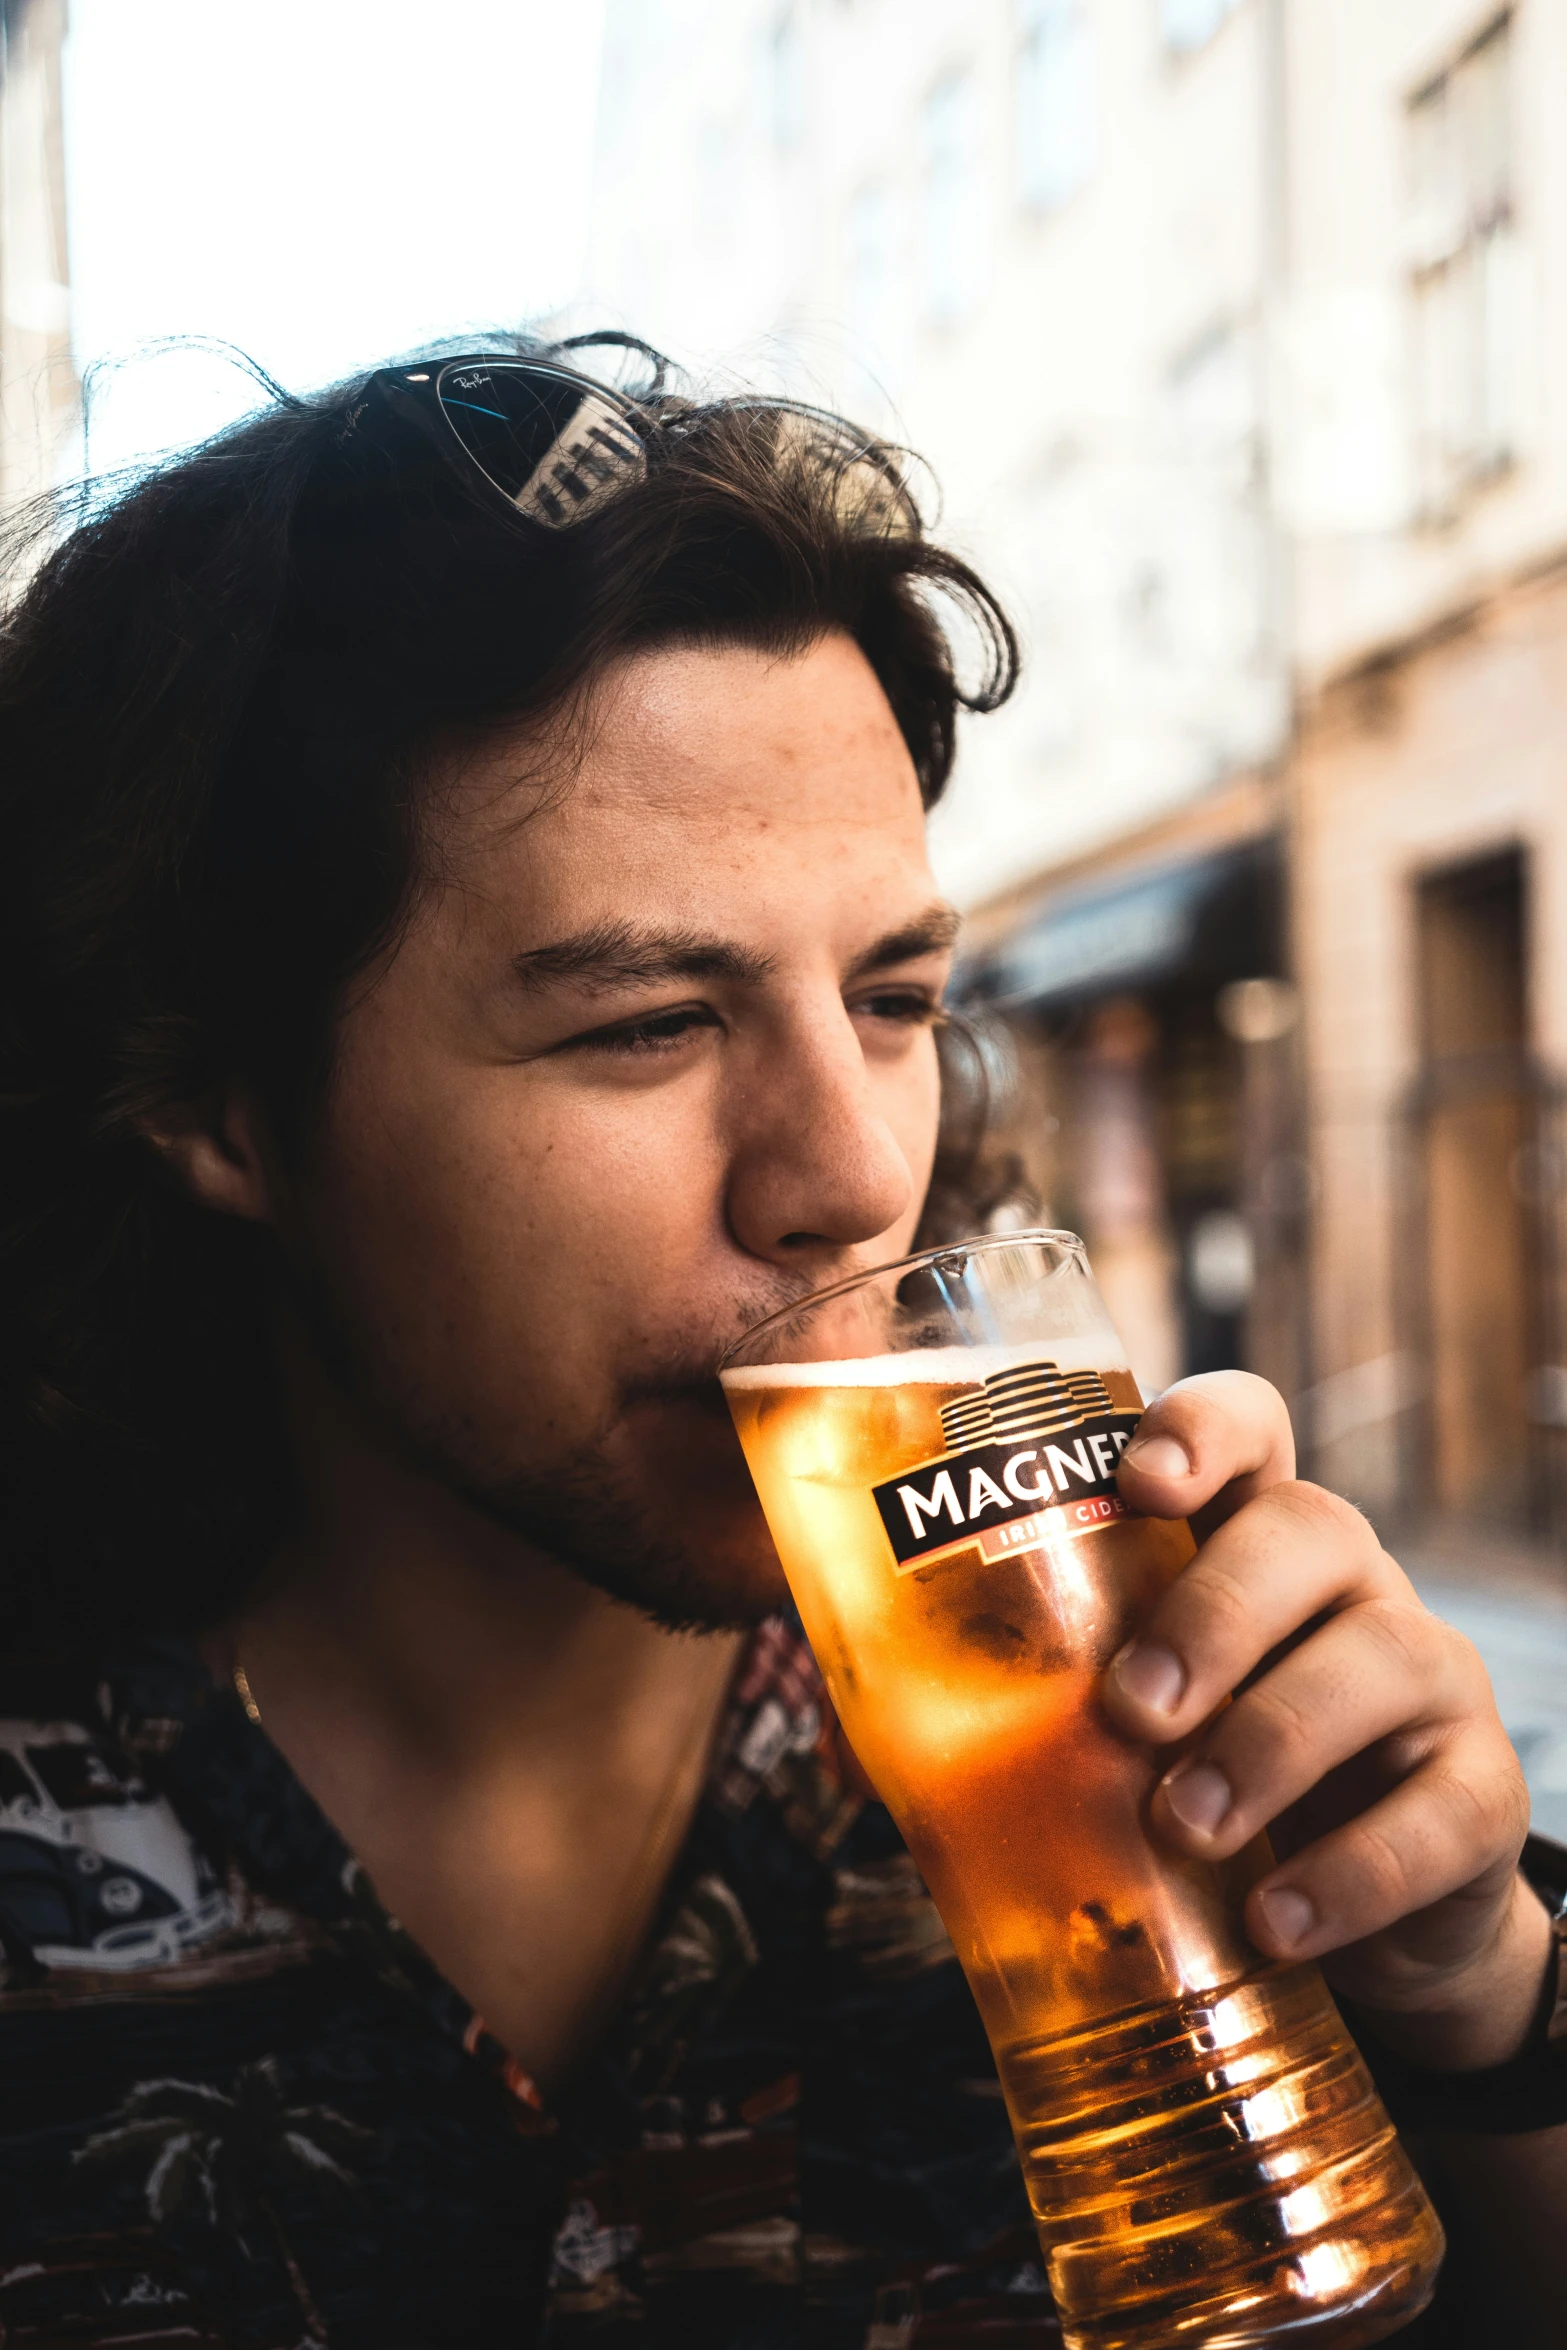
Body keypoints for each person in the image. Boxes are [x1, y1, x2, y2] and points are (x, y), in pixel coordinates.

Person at [0, 336, 1561, 2350]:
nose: (843, 1175)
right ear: (219, 1100)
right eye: (644, 1021)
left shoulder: (1098, 1727)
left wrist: (1482, 2003)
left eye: (897, 996)